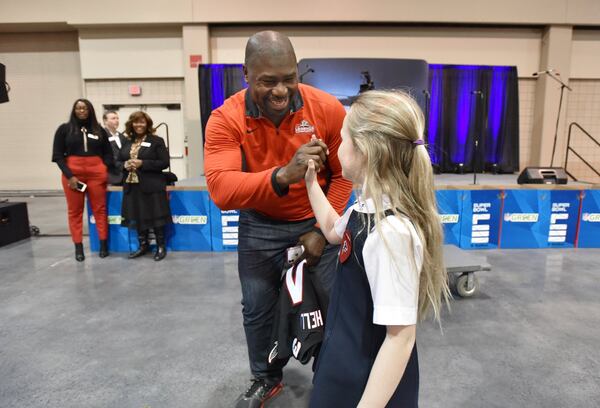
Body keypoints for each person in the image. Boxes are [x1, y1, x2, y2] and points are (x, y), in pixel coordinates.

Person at [204, 31, 353, 407]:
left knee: (332, 304)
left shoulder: (327, 109)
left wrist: (324, 229)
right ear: (246, 74)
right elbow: (222, 190)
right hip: (260, 225)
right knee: (257, 308)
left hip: (315, 221)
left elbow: (344, 174)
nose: (281, 90)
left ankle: (329, 377)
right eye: (268, 81)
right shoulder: (226, 119)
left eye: (289, 77)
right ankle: (266, 379)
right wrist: (281, 176)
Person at [305, 90, 450, 408]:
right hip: (343, 363)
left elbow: (400, 340)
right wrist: (311, 184)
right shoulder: (364, 211)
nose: (337, 149)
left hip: (367, 383)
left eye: (342, 140)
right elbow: (332, 231)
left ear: (364, 150)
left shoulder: (391, 233)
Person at [52, 98, 113, 261]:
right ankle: (78, 247)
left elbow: (108, 153)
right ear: (74, 110)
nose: (81, 111)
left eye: (85, 108)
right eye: (78, 108)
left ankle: (103, 244)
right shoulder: (64, 129)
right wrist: (69, 176)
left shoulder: (99, 129)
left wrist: (103, 167)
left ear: (90, 110)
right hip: (73, 173)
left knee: (100, 209)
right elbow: (57, 156)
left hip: (96, 172)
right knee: (75, 211)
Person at [119, 111, 171, 261]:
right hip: (131, 186)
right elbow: (117, 161)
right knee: (138, 216)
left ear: (147, 124)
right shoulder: (127, 142)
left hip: (152, 185)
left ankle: (161, 246)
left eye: (142, 122)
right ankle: (143, 245)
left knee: (156, 217)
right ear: (131, 124)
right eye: (136, 122)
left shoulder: (156, 141)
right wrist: (124, 164)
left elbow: (164, 162)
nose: (138, 125)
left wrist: (143, 163)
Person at [102, 110, 127, 186]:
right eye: (113, 118)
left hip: (123, 176)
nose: (116, 121)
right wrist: (122, 165)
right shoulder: (101, 135)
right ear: (105, 121)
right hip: (110, 176)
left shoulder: (122, 137)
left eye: (117, 118)